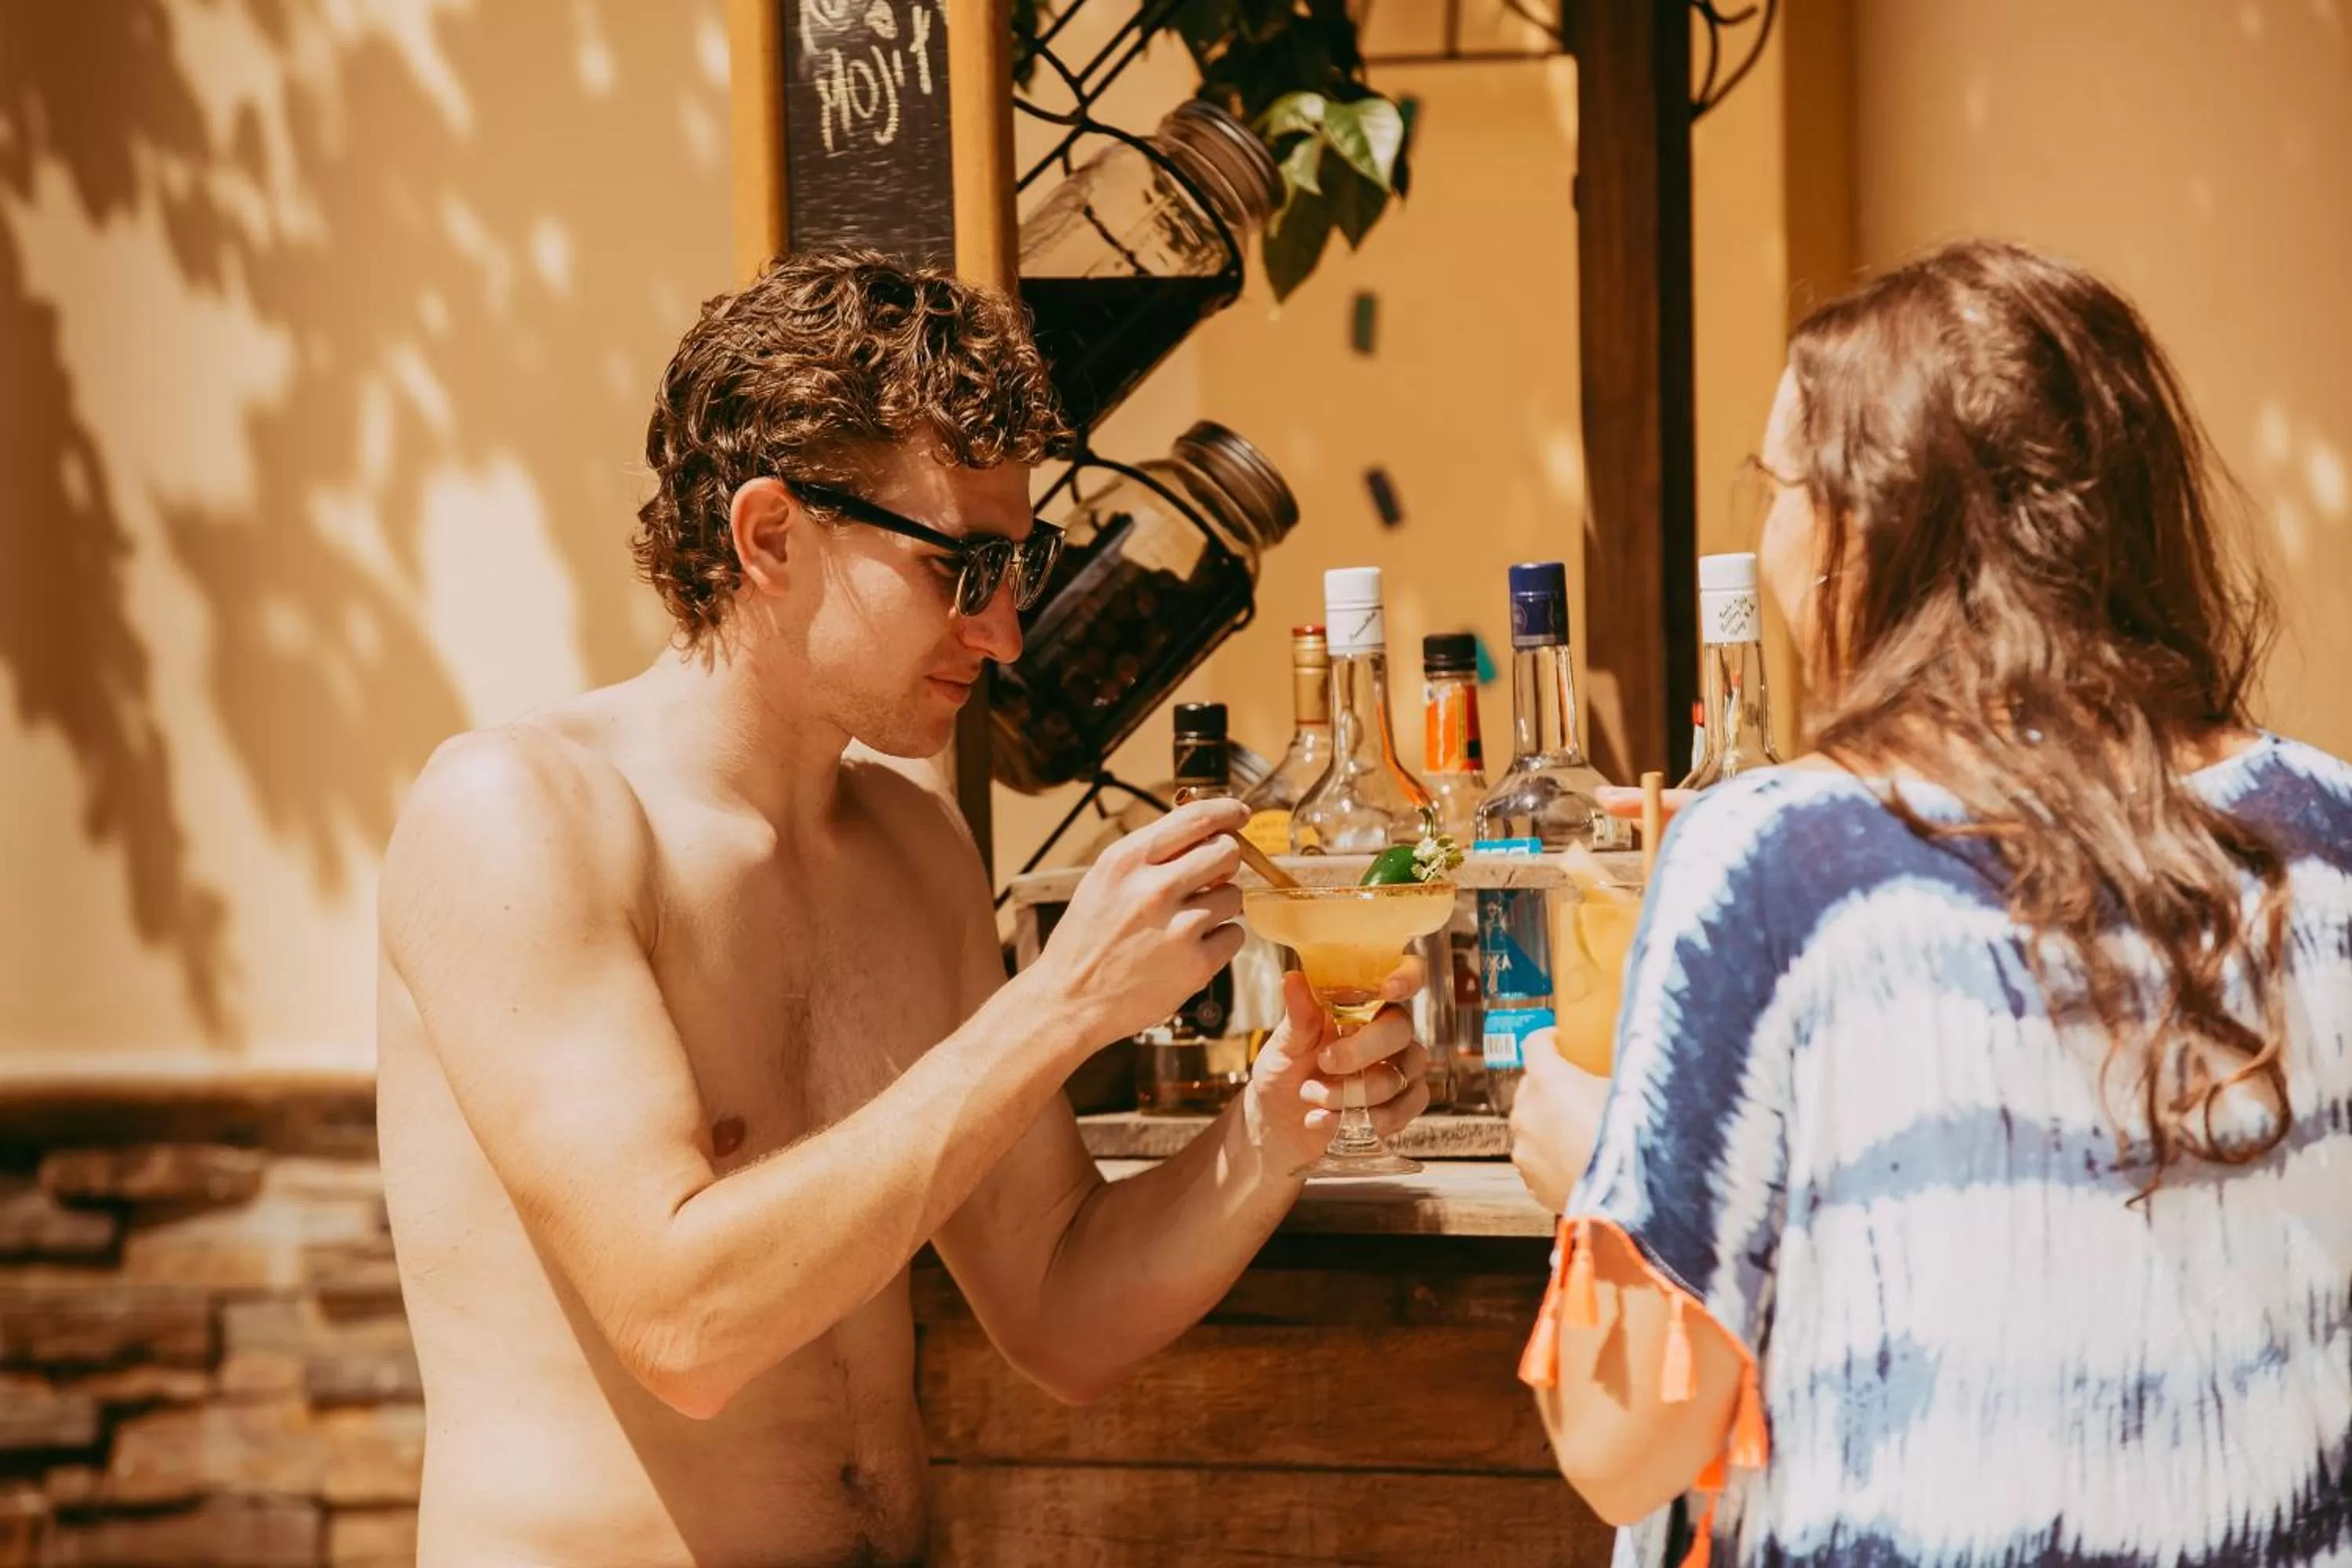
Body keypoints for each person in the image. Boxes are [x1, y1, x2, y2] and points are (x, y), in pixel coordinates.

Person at [373, 249, 1429, 1566]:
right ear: (771, 537)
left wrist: (1279, 1118)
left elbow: (1060, 1308)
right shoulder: (520, 817)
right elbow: (683, 1325)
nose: (1005, 633)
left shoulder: (915, 848)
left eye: (1020, 564)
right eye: (962, 567)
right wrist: (1058, 1006)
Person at [1508, 238, 2352, 1566]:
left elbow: (1628, 1447)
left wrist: (1593, 1184)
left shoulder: (1777, 861)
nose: (1770, 537)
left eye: (1777, 488)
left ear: (1859, 530)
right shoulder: (2331, 825)